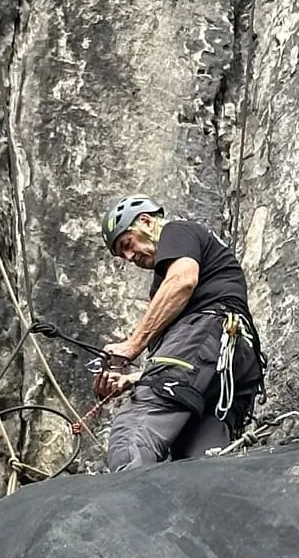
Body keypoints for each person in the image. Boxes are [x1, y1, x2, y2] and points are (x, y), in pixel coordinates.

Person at [95, 196, 264, 471]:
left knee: (132, 434)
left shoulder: (177, 232)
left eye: (127, 244)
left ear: (147, 222)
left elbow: (184, 281)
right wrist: (135, 378)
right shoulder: (170, 274)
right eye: (121, 254)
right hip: (227, 364)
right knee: (197, 465)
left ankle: (130, 509)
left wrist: (132, 345)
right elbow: (194, 362)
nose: (129, 256)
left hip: (208, 332)